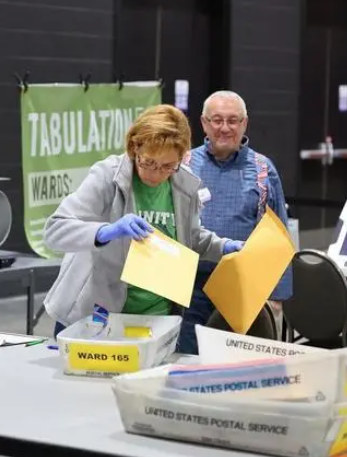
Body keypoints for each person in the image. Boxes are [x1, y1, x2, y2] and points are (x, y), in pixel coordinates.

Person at [42, 104, 245, 336]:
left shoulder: (184, 184)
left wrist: (224, 247)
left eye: (167, 166)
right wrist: (105, 231)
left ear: (182, 158)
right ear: (134, 148)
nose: (156, 174)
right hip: (98, 314)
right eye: (148, 162)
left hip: (156, 317)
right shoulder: (108, 175)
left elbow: (189, 236)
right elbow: (55, 230)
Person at [176, 90, 293, 354]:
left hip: (243, 289)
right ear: (204, 123)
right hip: (190, 288)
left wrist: (276, 296)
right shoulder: (183, 165)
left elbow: (279, 235)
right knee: (188, 359)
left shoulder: (263, 169)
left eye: (233, 120)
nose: (225, 128)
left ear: (244, 123)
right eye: (217, 120)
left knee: (237, 363)